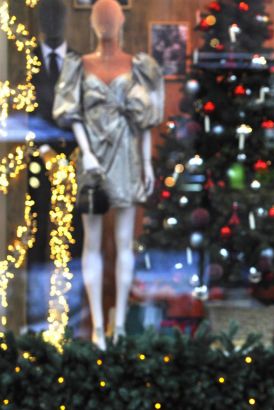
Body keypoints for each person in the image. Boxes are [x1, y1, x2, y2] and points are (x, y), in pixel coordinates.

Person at [53, 0, 164, 349]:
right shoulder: (78, 66)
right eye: (99, 17)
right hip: (93, 161)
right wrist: (85, 153)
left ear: (120, 21)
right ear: (91, 23)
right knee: (92, 242)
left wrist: (147, 164)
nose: (105, 23)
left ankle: (118, 327)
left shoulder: (138, 66)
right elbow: (72, 114)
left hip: (128, 155)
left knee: (124, 241)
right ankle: (98, 327)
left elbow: (143, 119)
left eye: (110, 16)